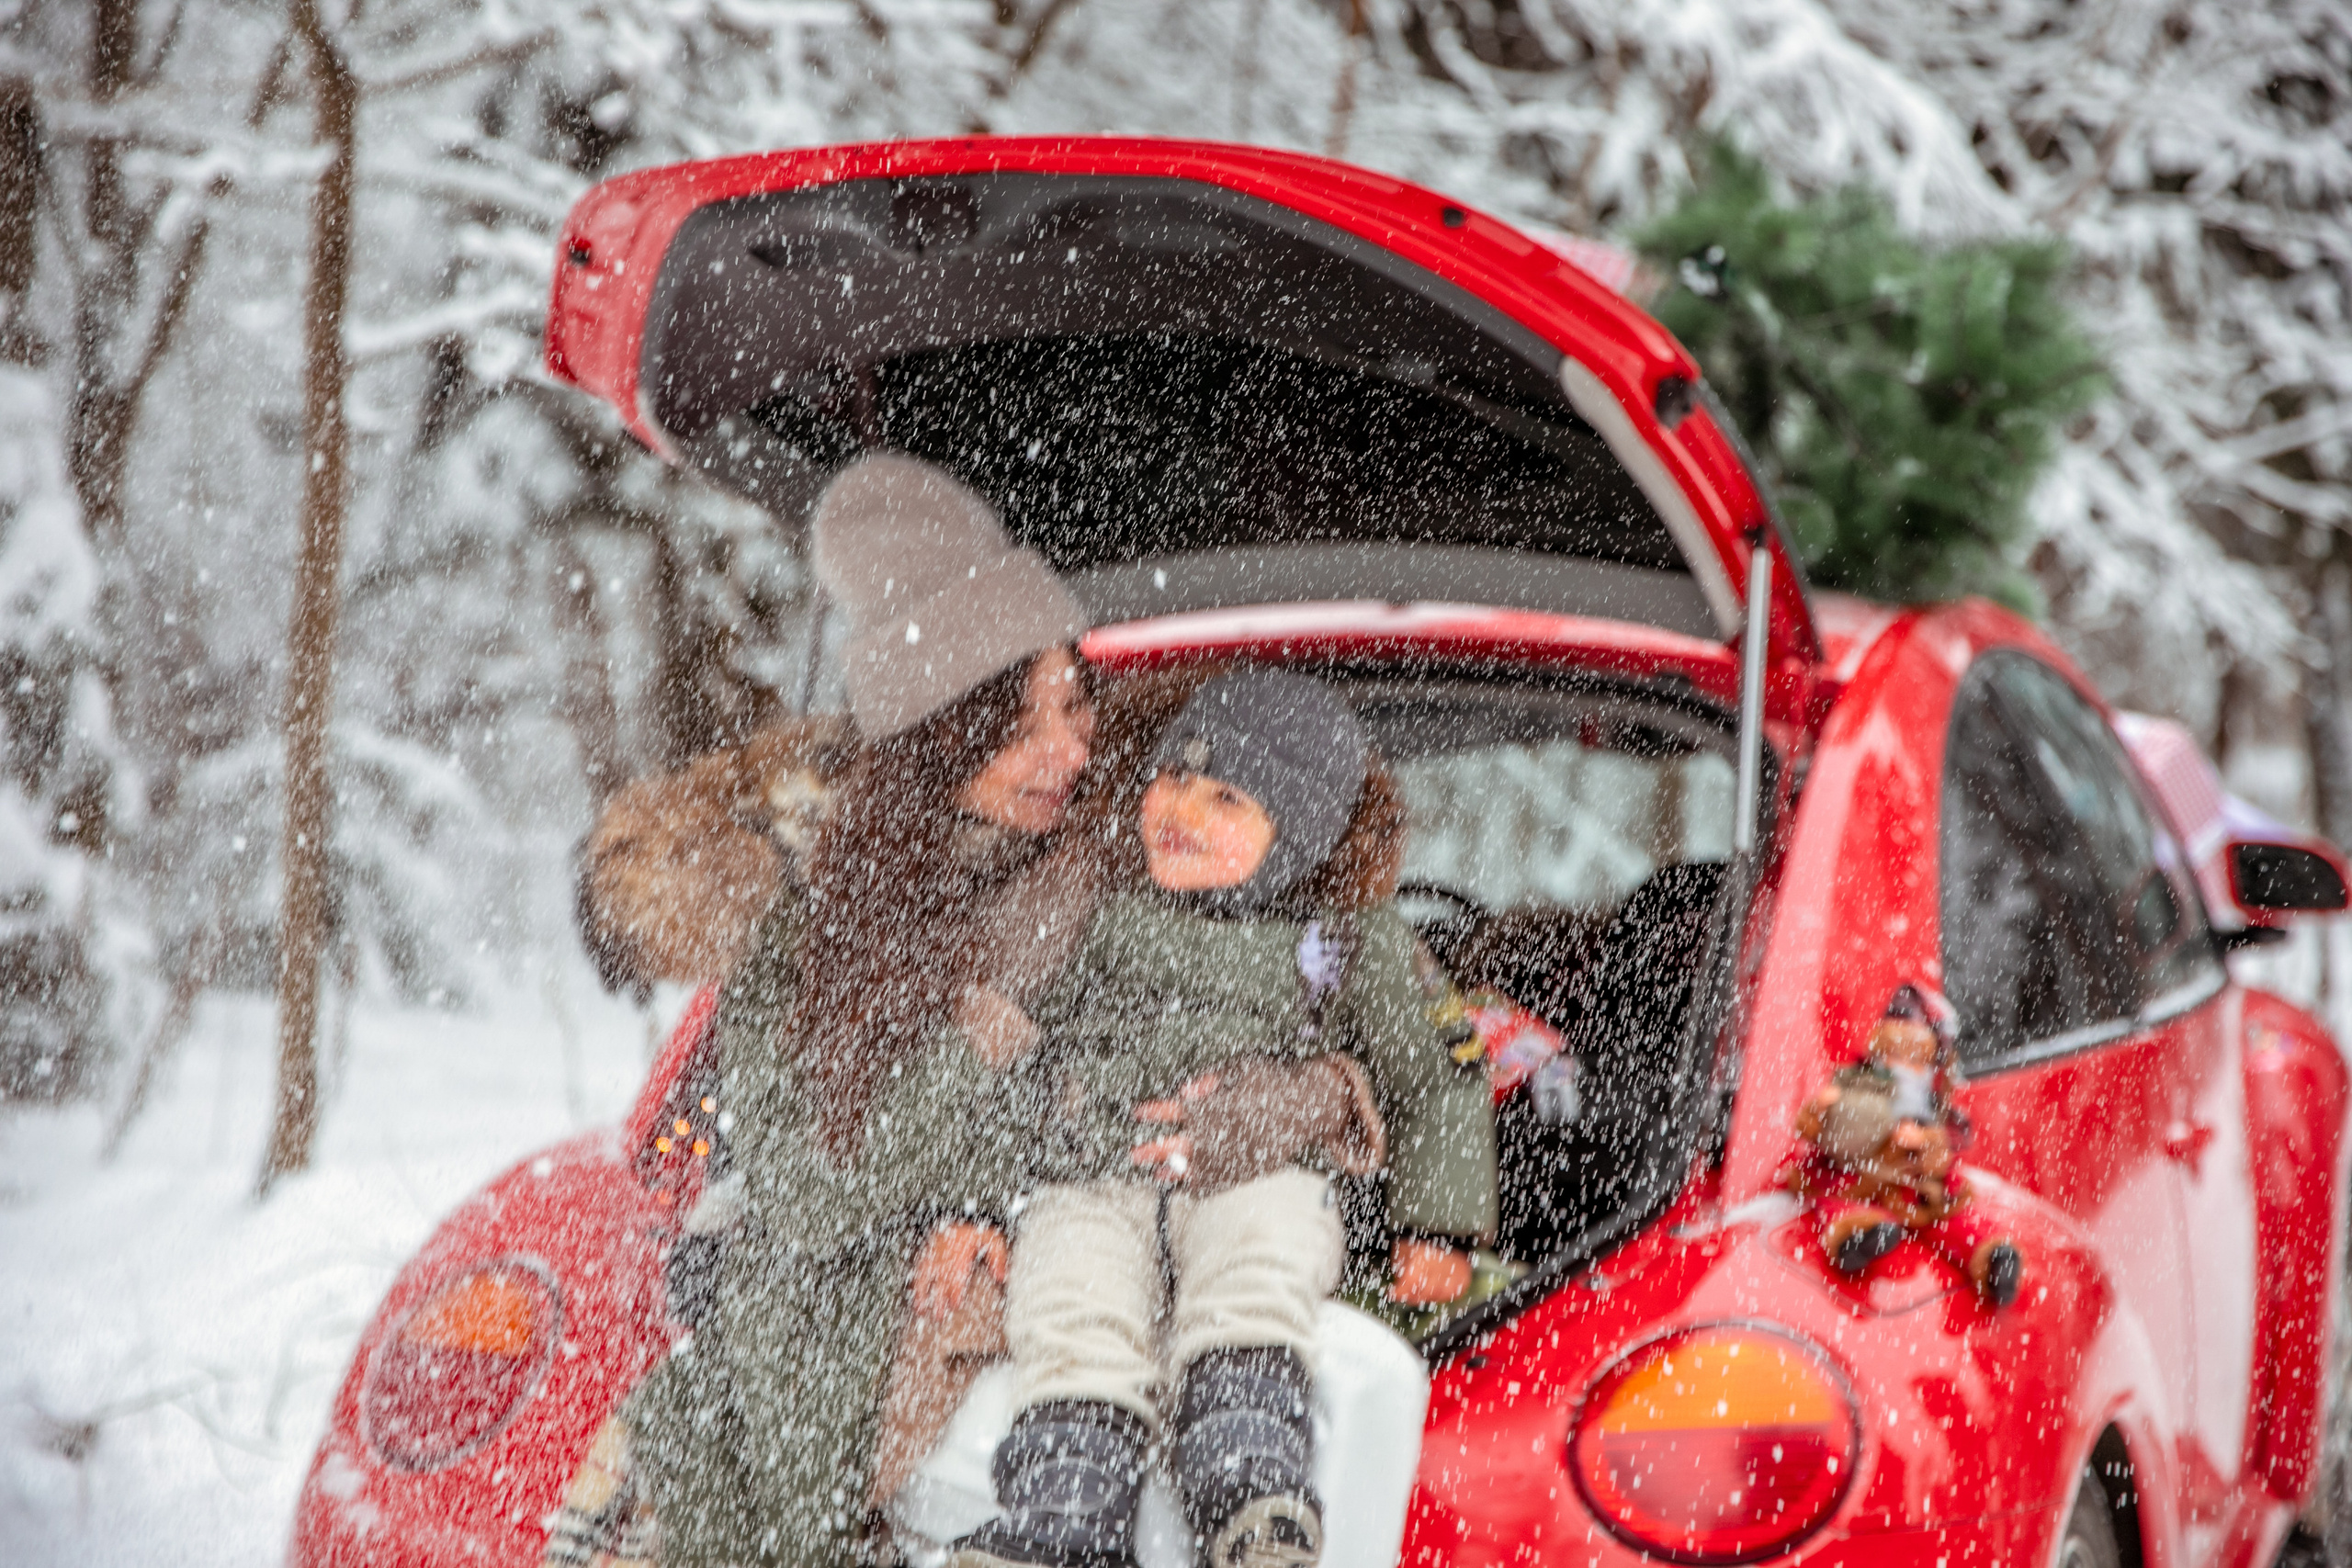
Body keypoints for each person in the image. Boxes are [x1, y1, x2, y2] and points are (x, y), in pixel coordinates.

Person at [548, 455, 1385, 1568]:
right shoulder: (806, 932)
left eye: (1075, 704)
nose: (1073, 751)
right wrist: (974, 1074)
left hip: (1119, 1312)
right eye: (1023, 721)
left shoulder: (1133, 854)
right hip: (853, 1408)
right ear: (945, 734)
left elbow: (1321, 990)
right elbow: (803, 1195)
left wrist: (1315, 1094)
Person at [956, 670, 1498, 1568]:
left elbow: (1439, 1080)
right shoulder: (1096, 915)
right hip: (1097, 1169)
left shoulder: (1347, 942)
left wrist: (1434, 1223)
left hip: (1262, 1173)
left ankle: (1247, 1488)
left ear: (1297, 835)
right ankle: (1064, 1509)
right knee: (1070, 1305)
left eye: (1225, 797)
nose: (1180, 809)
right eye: (1171, 779)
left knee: (1255, 1274)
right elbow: (1006, 1050)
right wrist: (978, 1192)